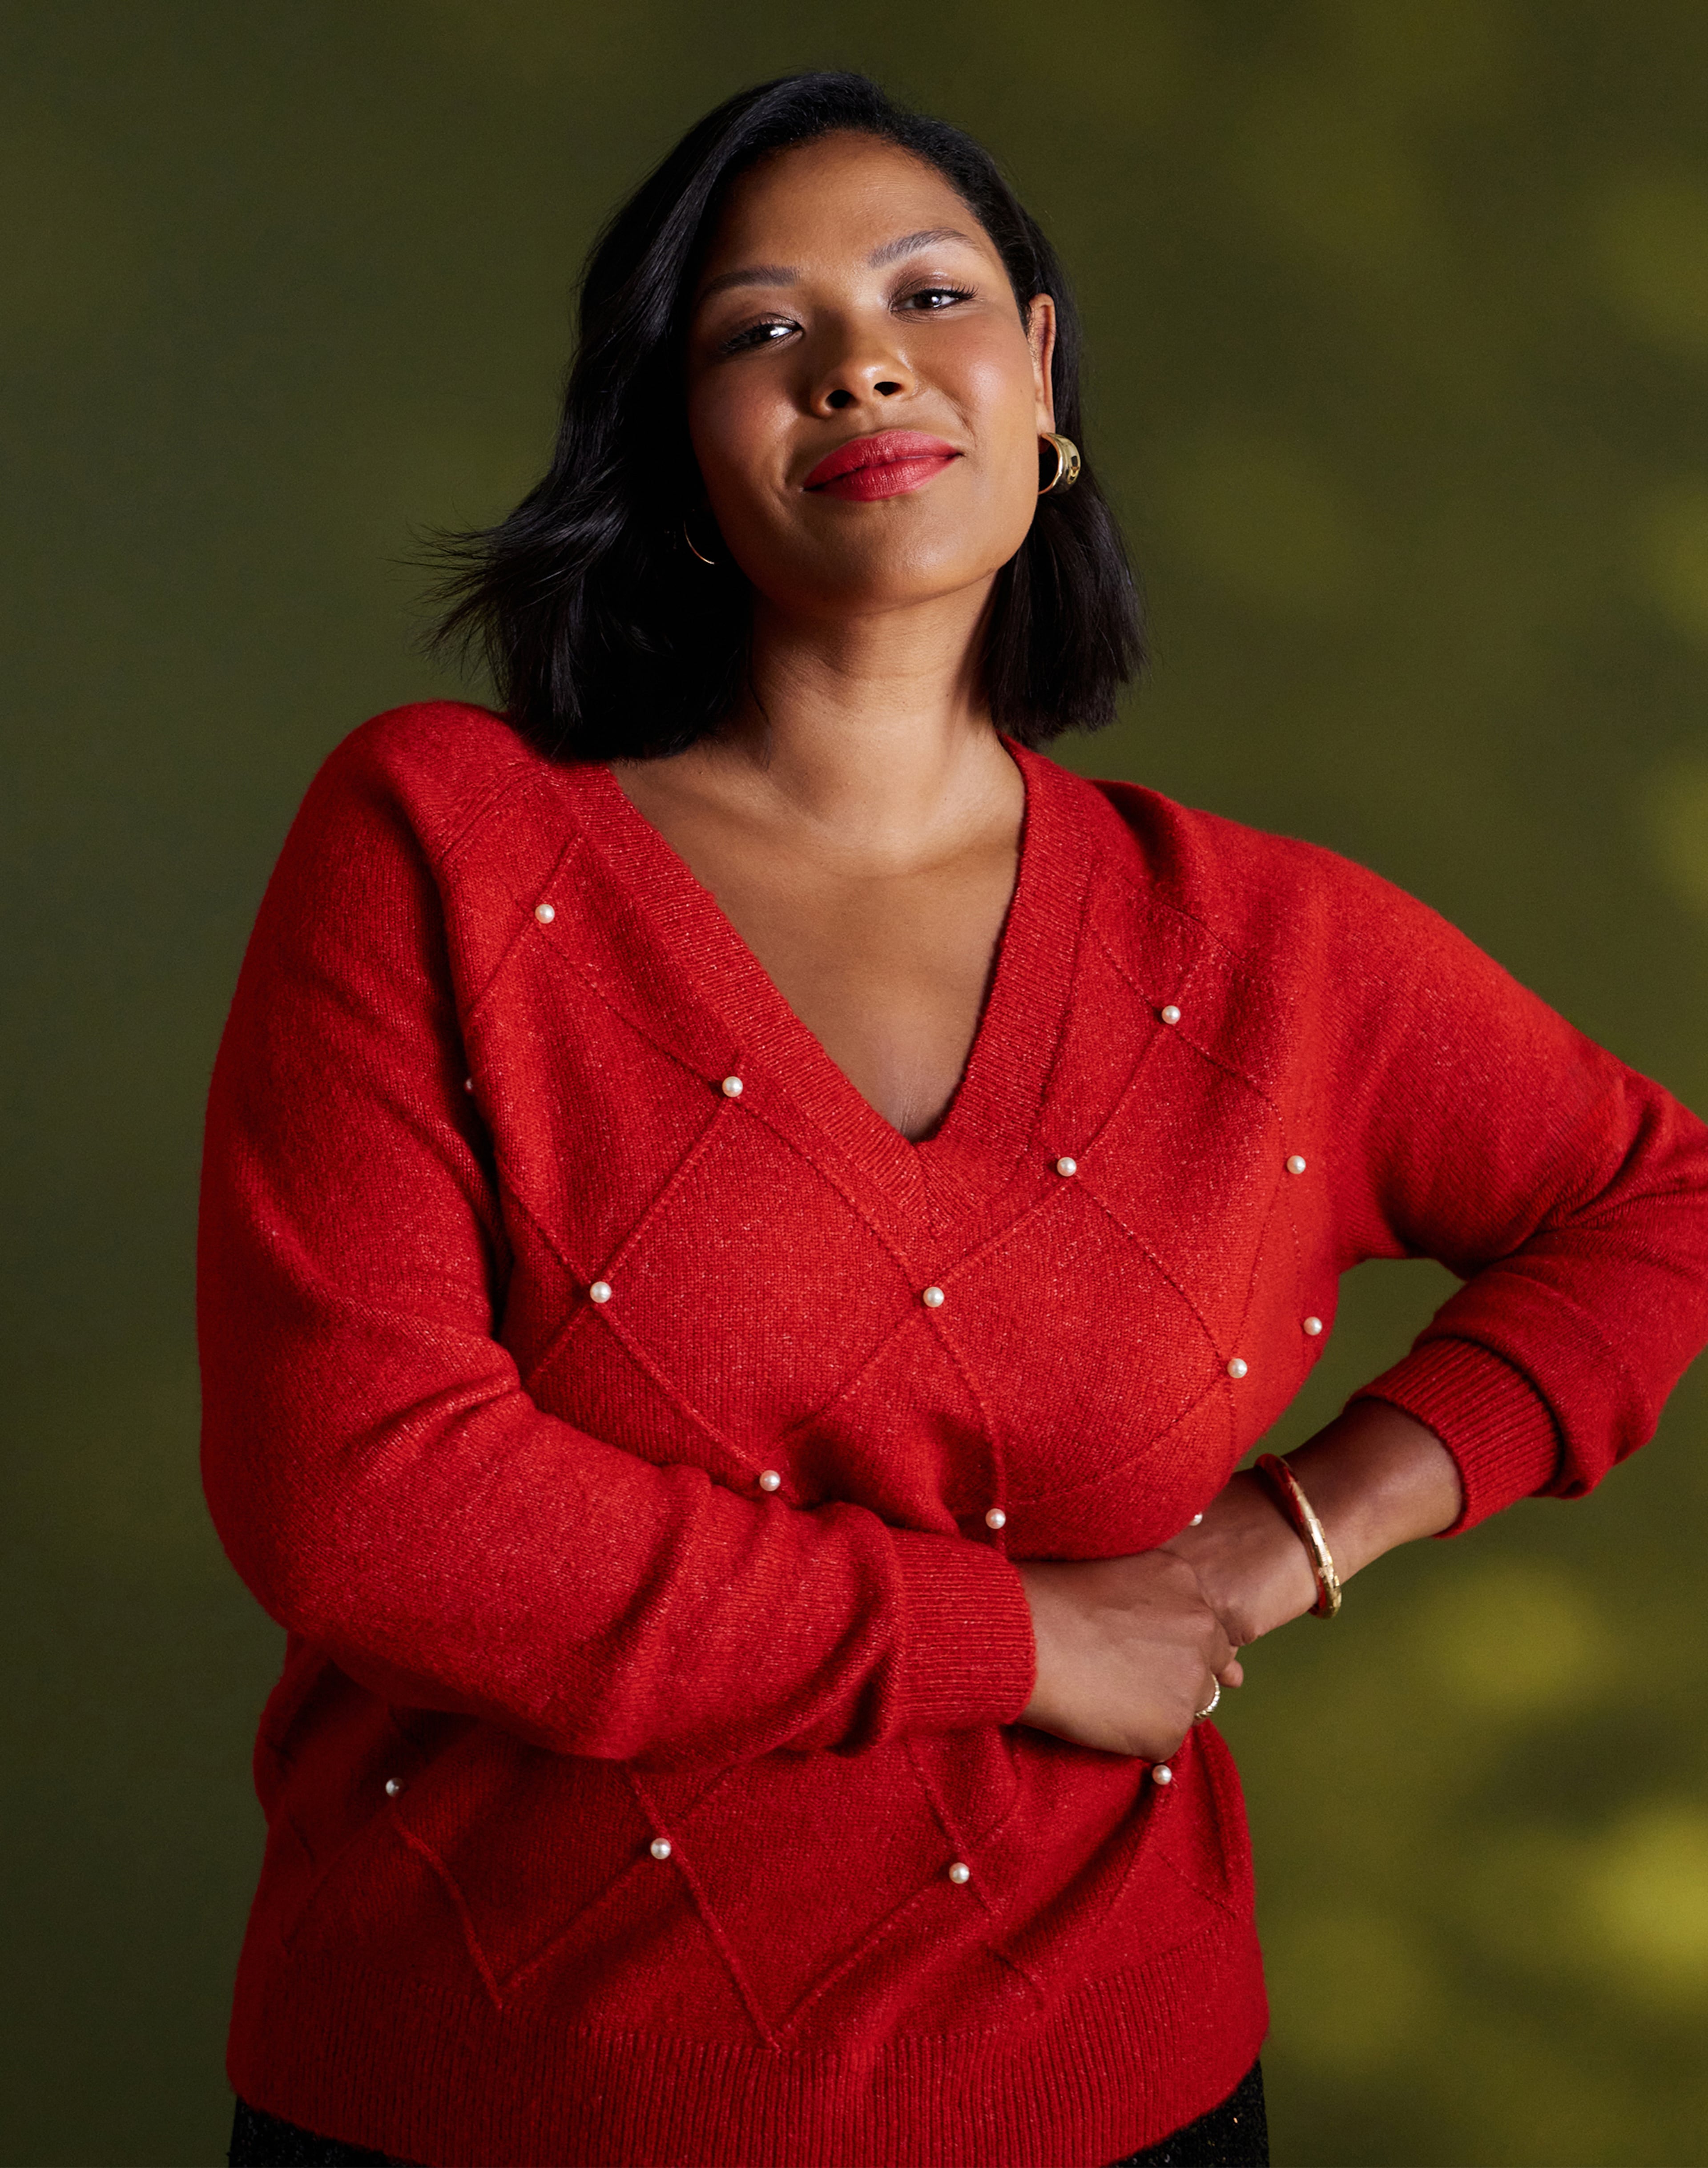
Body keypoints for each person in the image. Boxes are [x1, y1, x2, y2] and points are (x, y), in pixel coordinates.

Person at [201, 70, 1708, 2168]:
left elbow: (1660, 1201)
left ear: (1040, 370)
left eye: (933, 291)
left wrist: (1286, 1546)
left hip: (1115, 2106)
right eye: (761, 327)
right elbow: (361, 1504)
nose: (864, 361)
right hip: (490, 2106)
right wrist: (1018, 1637)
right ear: (674, 433)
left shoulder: (1269, 948)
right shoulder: (444, 844)